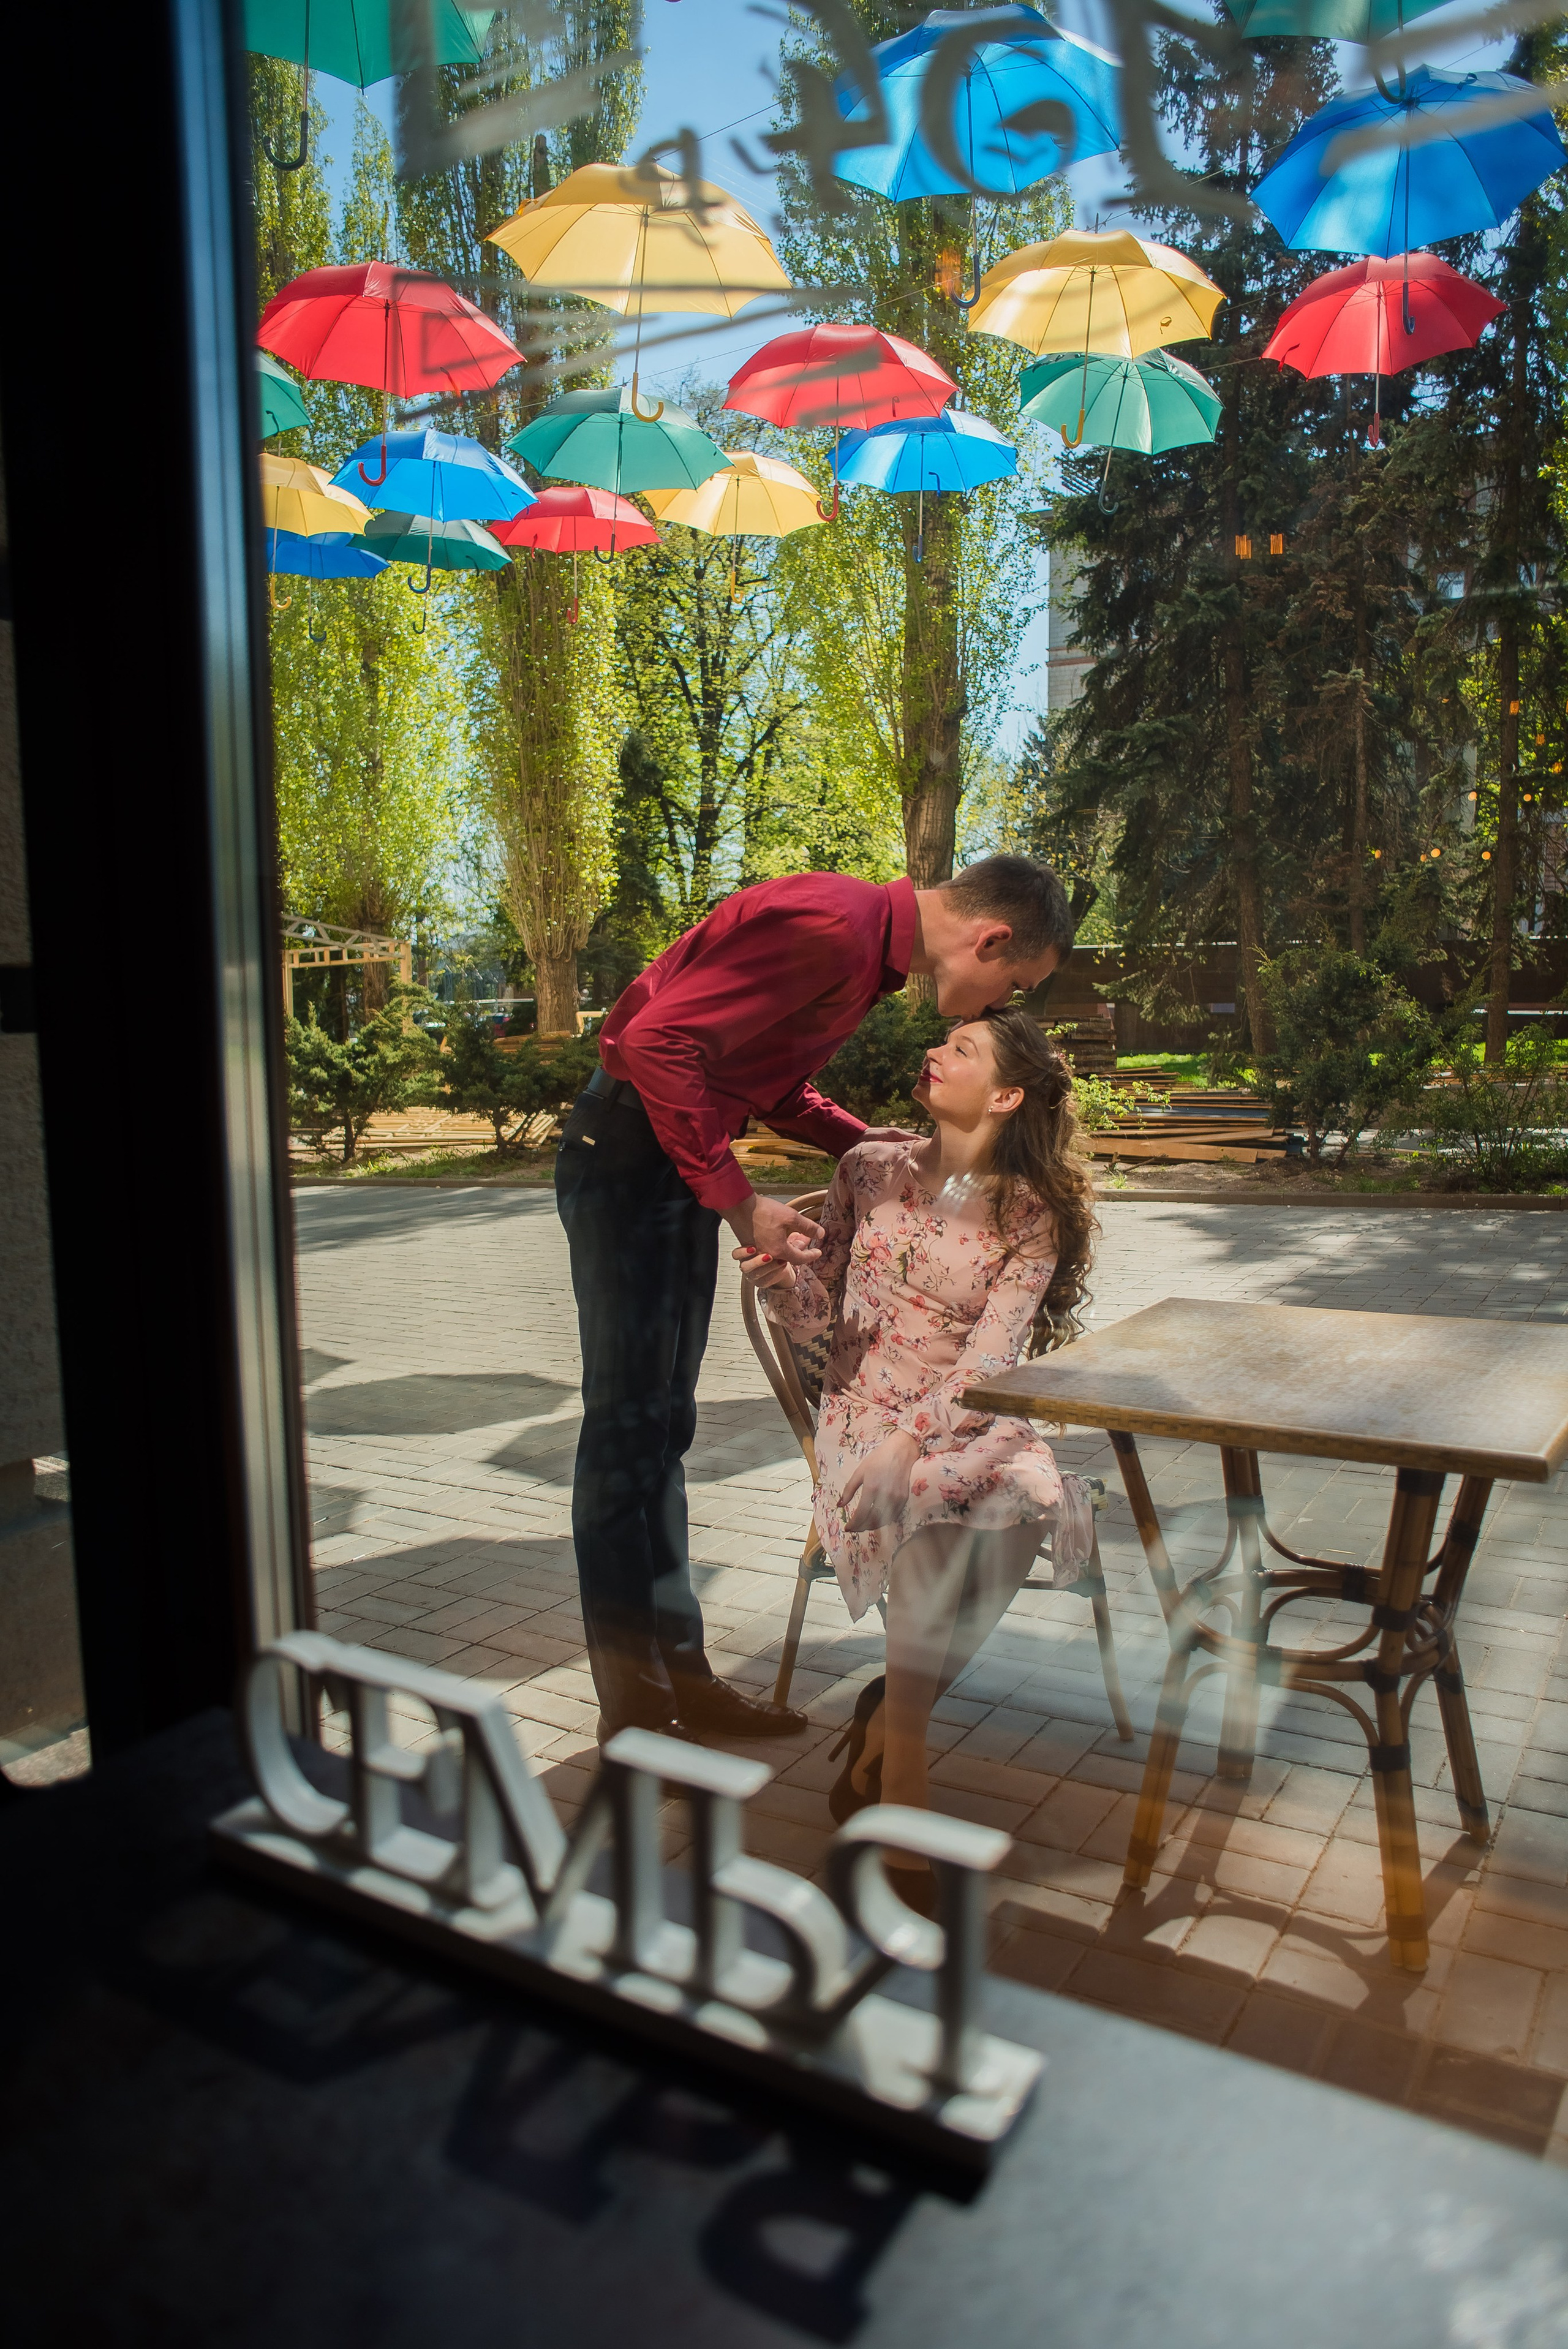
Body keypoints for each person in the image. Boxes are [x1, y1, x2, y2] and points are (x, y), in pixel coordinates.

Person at [556, 858, 1076, 1744]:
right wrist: (739, 1199)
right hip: (630, 1159)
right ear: (990, 940)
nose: (997, 1006)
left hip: (670, 1163)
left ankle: (680, 1677)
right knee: (624, 1436)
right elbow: (655, 1046)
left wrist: (871, 1142)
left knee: (661, 1433)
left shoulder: (862, 956)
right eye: (1012, 983)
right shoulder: (832, 925)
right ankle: (634, 1709)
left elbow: (768, 1087)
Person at [740, 1006, 1098, 1905]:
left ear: (1006, 1095)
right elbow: (821, 1321)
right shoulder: (867, 1168)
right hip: (859, 1408)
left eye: (962, 1049)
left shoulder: (1032, 1214)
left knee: (1021, 1492)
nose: (936, 1052)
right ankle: (905, 1794)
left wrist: (914, 1438)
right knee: (939, 1515)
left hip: (960, 1412)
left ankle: (887, 1725)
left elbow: (991, 1360)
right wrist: (785, 1281)